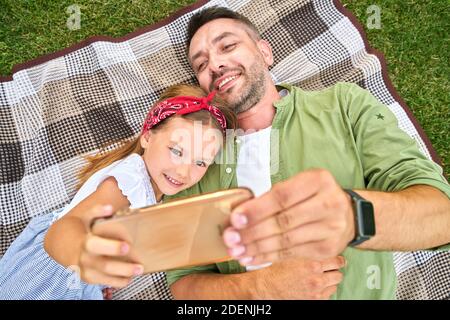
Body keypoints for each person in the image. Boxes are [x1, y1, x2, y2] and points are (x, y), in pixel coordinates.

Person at [164, 7, 450, 300]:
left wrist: (353, 217)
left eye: (228, 46)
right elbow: (183, 282)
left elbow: (441, 215)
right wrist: (260, 288)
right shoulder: (195, 157)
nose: (215, 64)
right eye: (201, 65)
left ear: (265, 52)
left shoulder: (343, 104)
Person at [0, 84, 236, 299]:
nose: (184, 172)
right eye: (176, 151)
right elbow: (62, 232)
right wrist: (85, 257)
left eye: (201, 162)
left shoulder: (158, 187)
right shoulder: (128, 183)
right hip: (52, 277)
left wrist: (101, 279)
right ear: (147, 137)